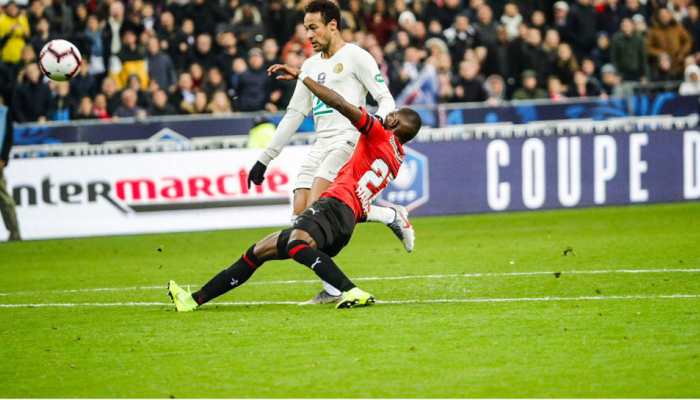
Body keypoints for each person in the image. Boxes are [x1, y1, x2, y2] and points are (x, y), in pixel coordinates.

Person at [167, 61, 422, 312]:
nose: (388, 114)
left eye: (393, 115)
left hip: (335, 206)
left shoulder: (379, 133)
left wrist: (303, 76)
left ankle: (350, 290)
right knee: (259, 250)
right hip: (345, 219)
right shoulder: (397, 159)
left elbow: (340, 104)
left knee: (297, 244)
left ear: (394, 124)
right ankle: (193, 300)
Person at [246, 0, 414, 305]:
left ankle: (390, 216)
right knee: (300, 217)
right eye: (306, 28)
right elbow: (295, 114)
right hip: (320, 144)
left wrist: (383, 129)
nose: (308, 35)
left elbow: (383, 97)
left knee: (319, 210)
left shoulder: (356, 57)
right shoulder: (309, 67)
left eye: (314, 27)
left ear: (333, 25)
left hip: (348, 141)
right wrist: (264, 158)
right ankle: (334, 286)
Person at [0, 97, 20, 241]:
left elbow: (8, 137)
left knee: (4, 198)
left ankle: (14, 231)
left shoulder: (4, 114)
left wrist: (3, 158)